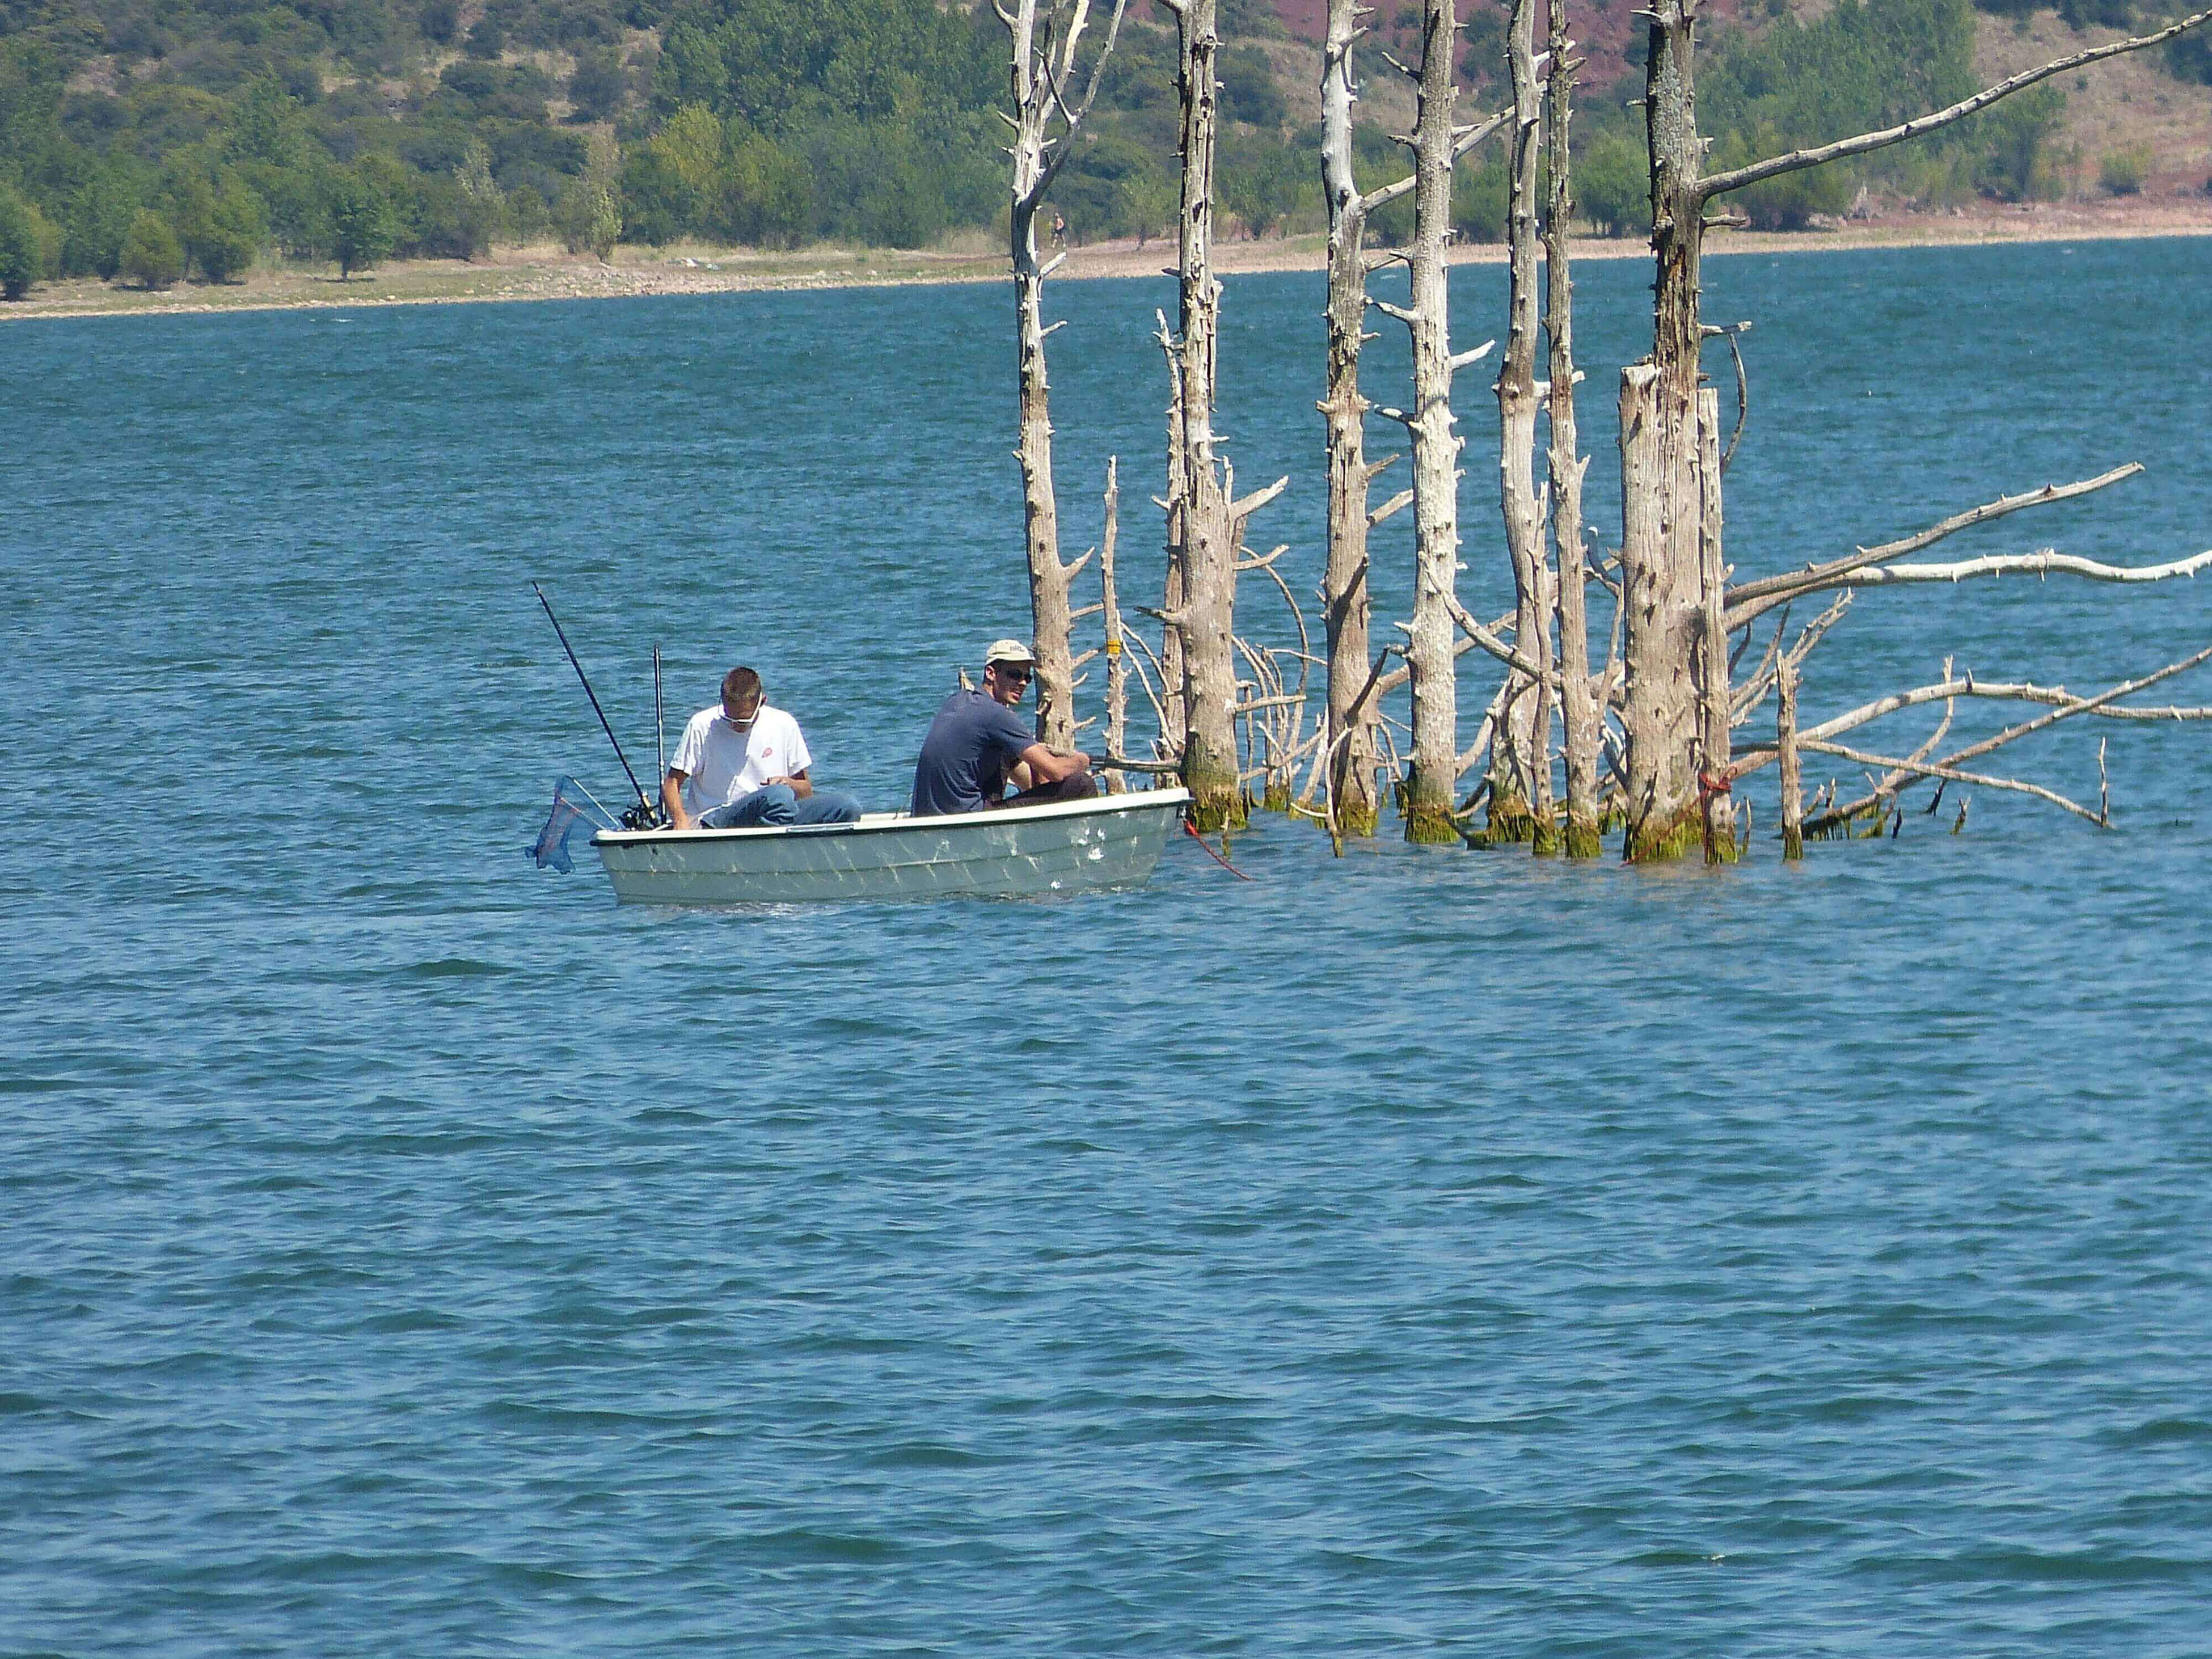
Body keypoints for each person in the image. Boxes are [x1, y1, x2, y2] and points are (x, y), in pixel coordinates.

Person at [910, 639, 1096, 816]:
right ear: (991, 673)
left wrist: (1034, 755)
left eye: (1027, 677)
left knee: (1004, 752)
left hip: (930, 818)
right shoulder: (997, 715)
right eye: (1014, 675)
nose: (1022, 683)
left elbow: (1037, 785)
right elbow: (1055, 772)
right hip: (967, 818)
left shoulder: (957, 701)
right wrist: (1080, 761)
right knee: (1081, 784)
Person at [662, 666, 862, 830]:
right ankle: (773, 851)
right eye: (730, 717)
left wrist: (788, 783)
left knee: (846, 807)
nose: (736, 725)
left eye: (744, 720)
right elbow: (672, 783)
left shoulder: (784, 723)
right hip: (717, 818)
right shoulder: (702, 725)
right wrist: (681, 820)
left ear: (762, 702)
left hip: (777, 811)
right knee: (778, 797)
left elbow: (806, 791)